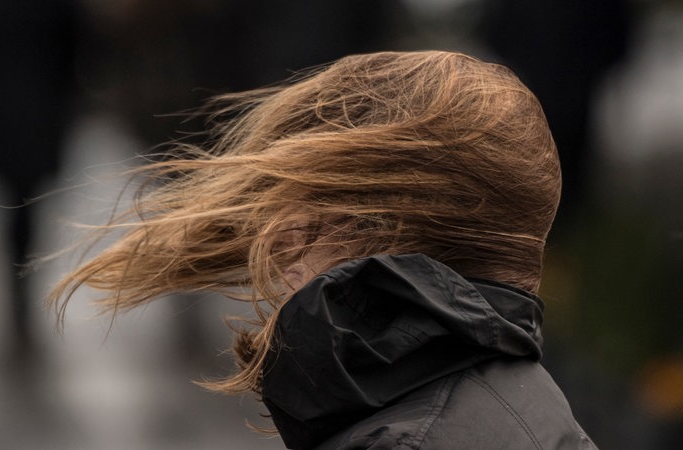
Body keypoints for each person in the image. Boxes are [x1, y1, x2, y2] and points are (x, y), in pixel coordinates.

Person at [49, 51, 596, 449]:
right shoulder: (522, 400)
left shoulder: (407, 440)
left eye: (307, 209)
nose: (279, 244)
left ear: (381, 226)